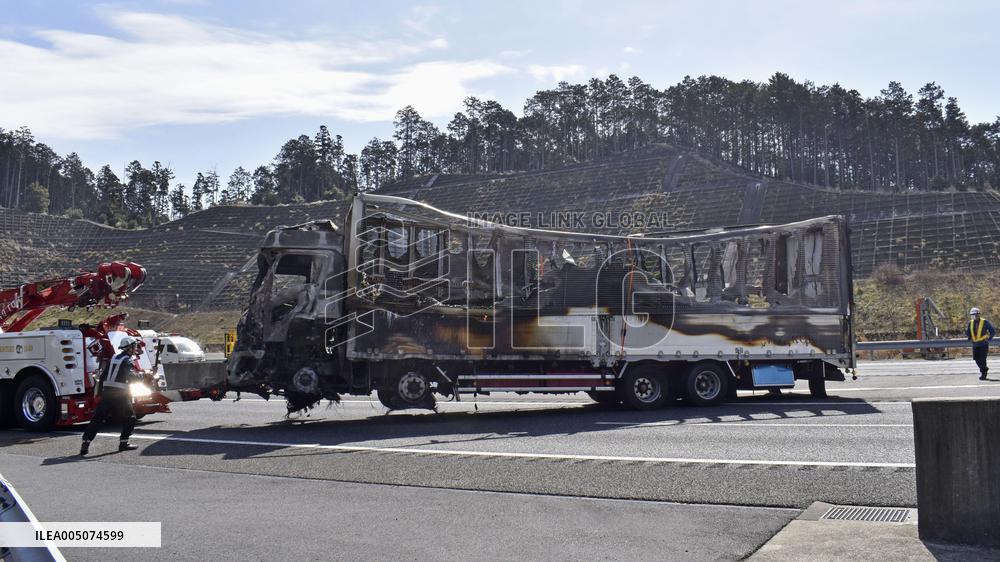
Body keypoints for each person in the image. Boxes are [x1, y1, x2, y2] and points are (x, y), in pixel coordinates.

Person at [80, 335, 145, 455]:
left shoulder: (113, 358)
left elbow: (103, 377)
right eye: (134, 347)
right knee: (130, 418)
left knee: (97, 419)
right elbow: (131, 377)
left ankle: (86, 442)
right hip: (120, 395)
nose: (135, 349)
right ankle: (123, 443)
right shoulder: (127, 360)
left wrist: (99, 394)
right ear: (129, 348)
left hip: (106, 394)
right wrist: (143, 376)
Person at [966, 307, 995, 381]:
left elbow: (992, 331)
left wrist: (989, 339)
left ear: (978, 314)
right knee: (976, 359)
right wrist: (970, 338)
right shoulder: (970, 322)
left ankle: (983, 374)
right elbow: (968, 332)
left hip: (983, 344)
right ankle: (984, 368)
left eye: (974, 314)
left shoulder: (985, 322)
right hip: (975, 344)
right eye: (972, 315)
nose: (973, 316)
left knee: (982, 359)